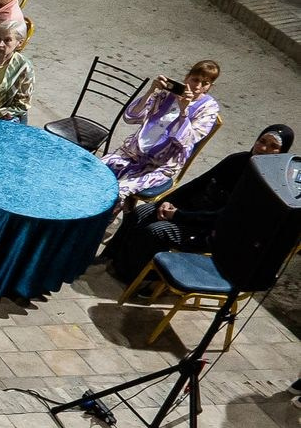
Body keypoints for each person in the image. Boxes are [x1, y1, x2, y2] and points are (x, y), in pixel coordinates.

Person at [110, 123, 289, 282]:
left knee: (156, 230)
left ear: (281, 153)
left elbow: (223, 217)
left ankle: (140, 280)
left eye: (273, 147)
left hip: (210, 230)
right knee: (142, 212)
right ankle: (113, 258)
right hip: (190, 211)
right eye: (262, 141)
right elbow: (198, 183)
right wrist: (168, 201)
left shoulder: (266, 184)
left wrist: (178, 215)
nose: (263, 148)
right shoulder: (237, 160)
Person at [103, 63, 224, 199]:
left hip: (159, 166)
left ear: (210, 86)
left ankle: (109, 211)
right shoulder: (168, 94)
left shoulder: (209, 108)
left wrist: (184, 111)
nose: (198, 86)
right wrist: (151, 91)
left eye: (205, 83)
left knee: (116, 193)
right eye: (195, 80)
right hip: (132, 152)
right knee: (96, 170)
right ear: (187, 78)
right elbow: (131, 117)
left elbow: (189, 140)